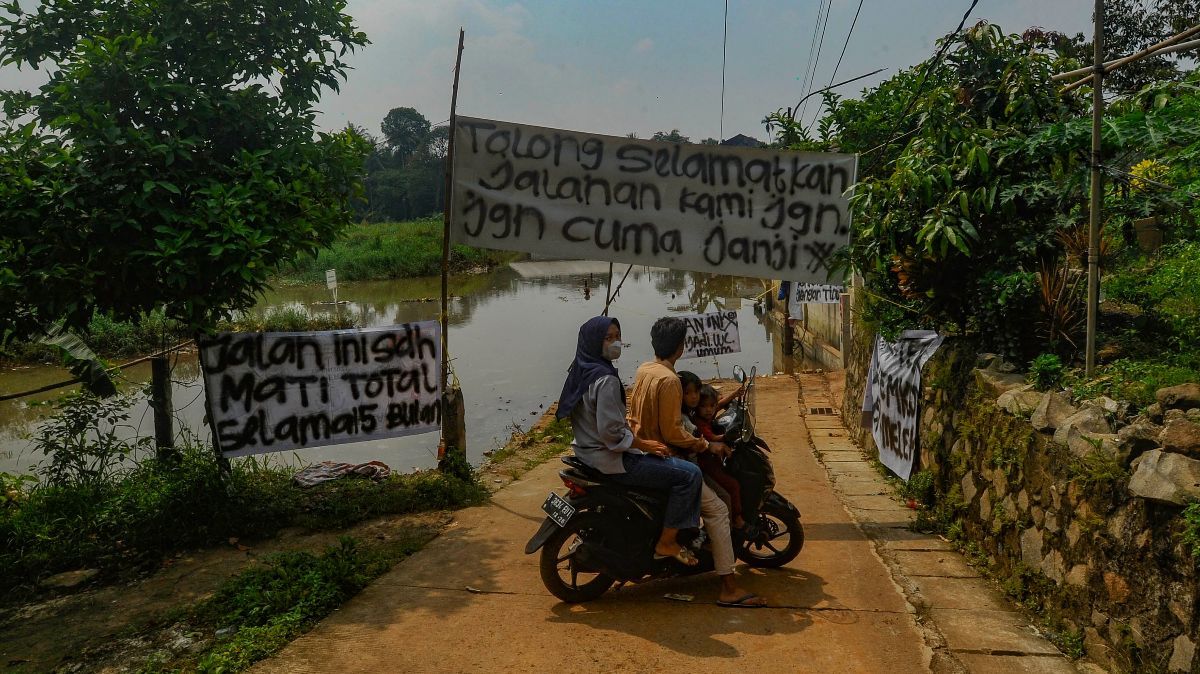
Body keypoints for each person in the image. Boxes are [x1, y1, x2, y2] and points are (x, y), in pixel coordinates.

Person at [627, 317, 768, 608]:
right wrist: (708, 445)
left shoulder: (645, 369)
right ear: (680, 347)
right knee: (717, 509)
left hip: (641, 451)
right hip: (667, 456)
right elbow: (673, 432)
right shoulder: (669, 381)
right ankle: (728, 587)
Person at [556, 316, 703, 566]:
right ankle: (667, 542)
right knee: (690, 475)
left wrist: (630, 429)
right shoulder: (606, 380)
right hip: (612, 459)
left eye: (618, 337)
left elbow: (600, 421)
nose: (616, 343)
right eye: (608, 338)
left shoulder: (581, 371)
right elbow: (611, 433)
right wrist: (644, 444)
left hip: (587, 453)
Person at [692, 385, 746, 530]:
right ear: (697, 407)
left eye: (711, 406)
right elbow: (713, 438)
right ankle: (736, 518)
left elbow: (720, 405)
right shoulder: (700, 423)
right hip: (708, 465)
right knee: (733, 486)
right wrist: (729, 435)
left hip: (714, 460)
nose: (709, 410)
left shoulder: (707, 414)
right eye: (704, 406)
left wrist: (735, 394)